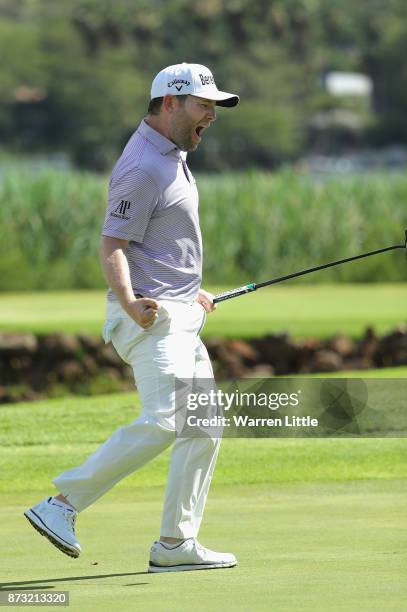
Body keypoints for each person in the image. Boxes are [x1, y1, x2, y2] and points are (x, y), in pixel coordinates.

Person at [24, 63, 239, 573]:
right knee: (166, 420)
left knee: (204, 426)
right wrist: (129, 302)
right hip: (149, 318)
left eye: (214, 106)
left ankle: (175, 544)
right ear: (170, 103)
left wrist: (191, 295)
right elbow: (112, 245)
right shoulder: (144, 164)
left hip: (178, 312)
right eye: (203, 104)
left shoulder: (174, 155)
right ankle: (61, 505)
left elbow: (158, 243)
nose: (211, 114)